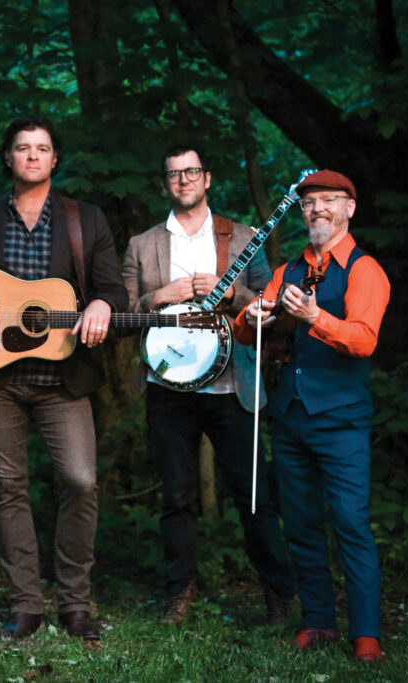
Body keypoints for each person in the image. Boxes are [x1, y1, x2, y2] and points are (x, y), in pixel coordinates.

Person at [0, 116, 128, 642]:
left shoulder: (83, 219)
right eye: (23, 148)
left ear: (55, 159)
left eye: (43, 149)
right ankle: (26, 605)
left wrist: (105, 305)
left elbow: (114, 288)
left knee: (81, 481)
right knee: (9, 488)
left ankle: (75, 603)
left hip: (63, 376)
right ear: (8, 157)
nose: (33, 156)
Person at [120, 145, 295, 625]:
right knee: (176, 497)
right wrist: (160, 295)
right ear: (164, 184)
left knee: (253, 492)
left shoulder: (242, 237)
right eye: (173, 174)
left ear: (208, 178)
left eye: (191, 171)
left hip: (233, 385)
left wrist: (228, 290)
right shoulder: (143, 244)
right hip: (168, 388)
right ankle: (181, 591)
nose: (183, 180)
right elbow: (123, 314)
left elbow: (269, 305)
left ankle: (277, 592)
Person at [234, 170, 389, 663]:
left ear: (349, 209)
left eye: (328, 200)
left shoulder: (366, 270)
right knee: (300, 524)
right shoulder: (288, 271)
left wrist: (313, 318)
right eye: (308, 203)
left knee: (350, 524)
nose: (317, 209)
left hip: (341, 418)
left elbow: (363, 340)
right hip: (291, 416)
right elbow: (244, 328)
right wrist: (251, 318)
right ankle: (318, 622)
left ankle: (365, 633)